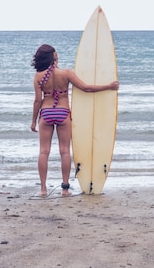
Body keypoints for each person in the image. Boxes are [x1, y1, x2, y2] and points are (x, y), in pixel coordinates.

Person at [30, 44, 119, 196]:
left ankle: (43, 189)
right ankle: (65, 189)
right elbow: (86, 88)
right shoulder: (66, 73)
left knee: (44, 152)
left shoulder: (38, 77)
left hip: (46, 113)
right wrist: (109, 86)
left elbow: (38, 101)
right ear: (54, 57)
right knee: (64, 151)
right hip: (63, 112)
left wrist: (33, 121)